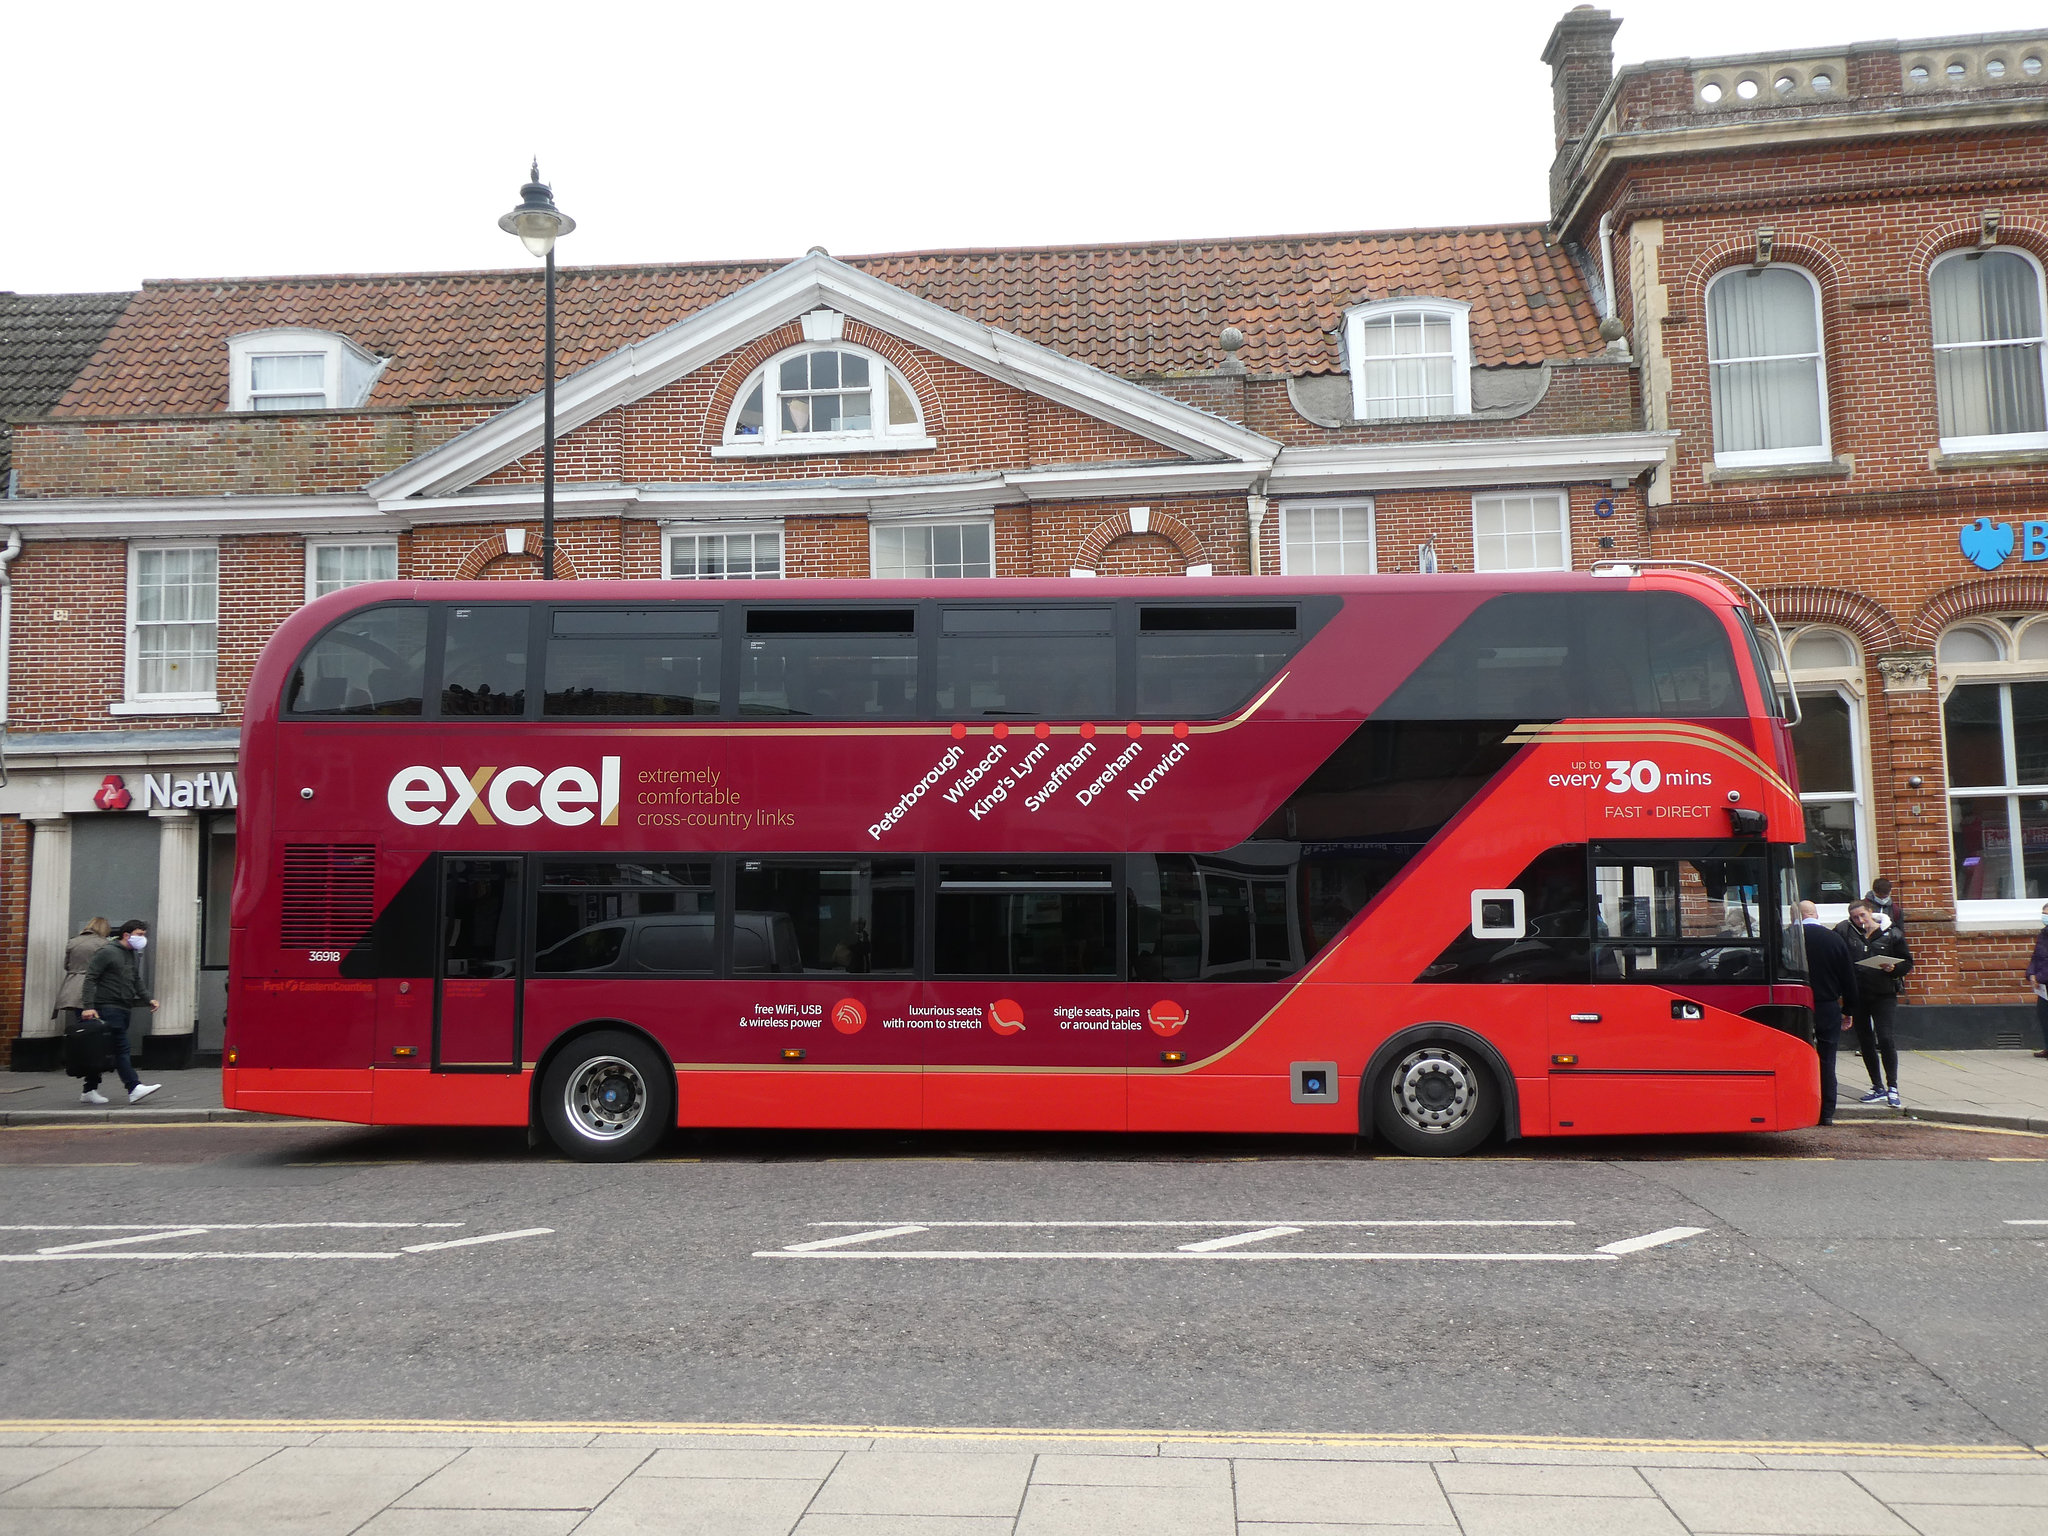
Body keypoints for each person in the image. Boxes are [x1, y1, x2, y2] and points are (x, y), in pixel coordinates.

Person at [1836, 900, 1911, 1107]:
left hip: (1883, 995)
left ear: (1871, 913)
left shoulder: (1892, 934)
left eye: (1863, 916)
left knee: (1885, 1038)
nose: (1860, 921)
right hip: (1859, 995)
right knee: (1865, 1041)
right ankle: (1877, 1086)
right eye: (1855, 918)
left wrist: (1893, 969)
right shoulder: (1847, 932)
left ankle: (1892, 1086)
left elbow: (1907, 962)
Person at [78, 919, 160, 1106]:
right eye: (139, 935)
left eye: (144, 935)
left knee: (104, 1050)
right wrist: (88, 1006)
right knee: (121, 1047)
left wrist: (148, 998)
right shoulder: (107, 952)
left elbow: (136, 980)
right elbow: (91, 978)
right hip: (107, 1006)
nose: (142, 939)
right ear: (126, 934)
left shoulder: (132, 954)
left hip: (123, 1006)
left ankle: (89, 1090)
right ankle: (133, 1087)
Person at [1801, 900, 1859, 1125]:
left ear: (1798, 915)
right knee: (1827, 1059)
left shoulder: (1789, 938)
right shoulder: (1835, 939)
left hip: (1797, 1005)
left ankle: (1803, 1106)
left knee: (1798, 1057)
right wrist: (1849, 1010)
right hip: (1827, 1006)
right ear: (1816, 914)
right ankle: (1826, 1113)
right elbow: (1848, 978)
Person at [52, 917, 111, 1039]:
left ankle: (83, 1051)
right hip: (96, 987)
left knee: (82, 1022)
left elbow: (67, 965)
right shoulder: (104, 944)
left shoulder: (73, 942)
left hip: (74, 986)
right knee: (97, 1025)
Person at [2026, 901, 2048, 1060]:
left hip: (2044, 979)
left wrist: (2039, 977)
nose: (2044, 917)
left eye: (2047, 914)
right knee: (2043, 1014)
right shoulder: (2043, 934)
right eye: (2044, 914)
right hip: (2044, 985)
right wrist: (2031, 973)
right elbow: (2036, 956)